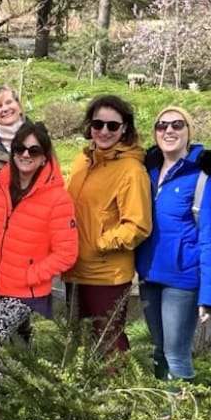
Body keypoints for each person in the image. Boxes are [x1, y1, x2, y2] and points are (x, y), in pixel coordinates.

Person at [135, 107, 211, 383]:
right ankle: (161, 413)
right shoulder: (148, 171)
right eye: (162, 125)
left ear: (188, 132)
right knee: (157, 351)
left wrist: (210, 296)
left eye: (177, 125)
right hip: (148, 275)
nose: (169, 130)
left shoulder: (204, 178)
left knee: (176, 354)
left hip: (183, 281)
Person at [0, 121, 78, 357]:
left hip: (22, 291)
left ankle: (7, 393)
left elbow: (66, 253)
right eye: (20, 148)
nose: (25, 154)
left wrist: (31, 275)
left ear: (45, 158)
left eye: (34, 150)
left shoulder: (58, 199)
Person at [64, 94, 152, 354]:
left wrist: (99, 244)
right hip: (74, 268)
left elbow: (138, 225)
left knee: (107, 345)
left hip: (106, 275)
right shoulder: (83, 161)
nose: (103, 131)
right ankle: (80, 392)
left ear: (124, 128)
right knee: (78, 342)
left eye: (112, 126)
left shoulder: (132, 171)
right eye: (97, 124)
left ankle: (117, 392)